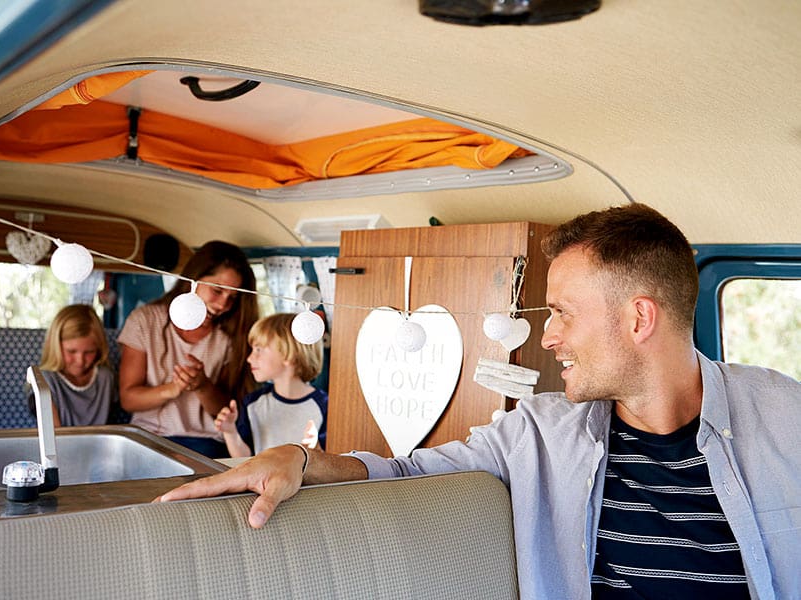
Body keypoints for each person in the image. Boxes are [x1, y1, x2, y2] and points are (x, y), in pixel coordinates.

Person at [157, 204, 801, 599]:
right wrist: (301, 461)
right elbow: (404, 470)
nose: (546, 335)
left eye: (562, 314)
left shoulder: (785, 418)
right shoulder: (540, 432)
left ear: (638, 319)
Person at [118, 241, 258, 458]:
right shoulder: (145, 321)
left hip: (205, 442)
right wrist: (173, 388)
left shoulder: (229, 337)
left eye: (232, 298)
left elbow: (226, 411)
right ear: (192, 280)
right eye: (217, 291)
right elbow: (128, 399)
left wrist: (202, 386)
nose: (222, 305)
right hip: (149, 438)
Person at [215, 313, 327, 458]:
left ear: (289, 354)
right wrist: (230, 432)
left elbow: (330, 462)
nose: (249, 358)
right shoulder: (252, 403)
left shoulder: (325, 406)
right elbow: (244, 460)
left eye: (258, 350)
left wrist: (315, 451)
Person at [26, 304, 117, 427]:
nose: (80, 361)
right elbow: (53, 435)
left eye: (89, 352)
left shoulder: (105, 377)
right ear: (55, 347)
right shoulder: (44, 381)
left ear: (99, 348)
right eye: (71, 352)